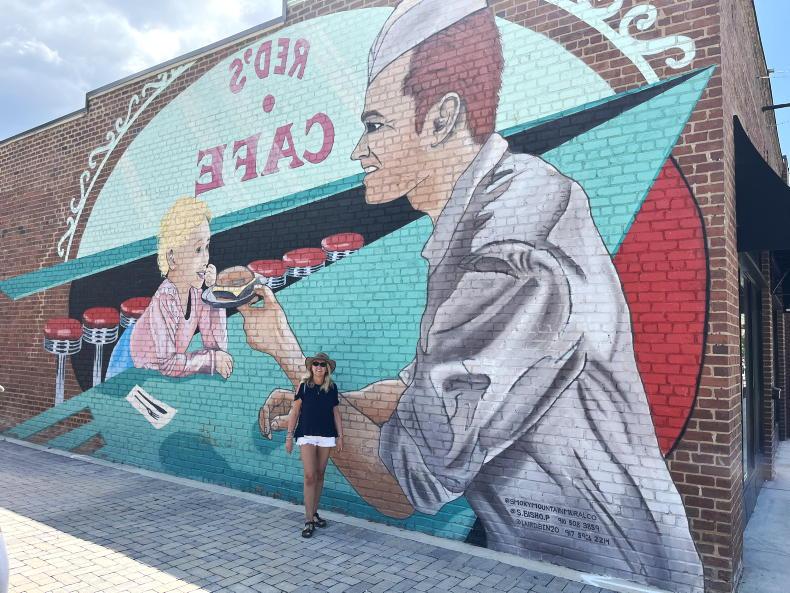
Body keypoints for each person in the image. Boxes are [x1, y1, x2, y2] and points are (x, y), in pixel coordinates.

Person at [241, 1, 704, 591]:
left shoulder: (511, 246)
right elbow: (416, 394)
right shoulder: (484, 216)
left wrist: (289, 358)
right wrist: (335, 402)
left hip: (613, 577)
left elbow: (401, 482)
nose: (359, 149)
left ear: (441, 119)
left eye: (376, 125)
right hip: (542, 567)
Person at [107, 197, 233, 380]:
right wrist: (211, 361)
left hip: (154, 370)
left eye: (207, 247)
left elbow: (216, 347)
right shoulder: (165, 298)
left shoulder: (197, 293)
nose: (206, 258)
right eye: (198, 249)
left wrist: (213, 293)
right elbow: (168, 364)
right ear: (172, 258)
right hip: (129, 364)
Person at [279, 353, 344, 538]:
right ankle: (308, 520)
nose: (318, 367)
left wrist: (340, 436)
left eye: (322, 364)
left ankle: (314, 513)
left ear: (326, 369)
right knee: (309, 476)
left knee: (320, 474)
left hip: (326, 436)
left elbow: (336, 413)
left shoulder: (331, 387)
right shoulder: (304, 386)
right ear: (311, 367)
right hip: (306, 435)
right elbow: (294, 412)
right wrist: (289, 436)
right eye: (315, 364)